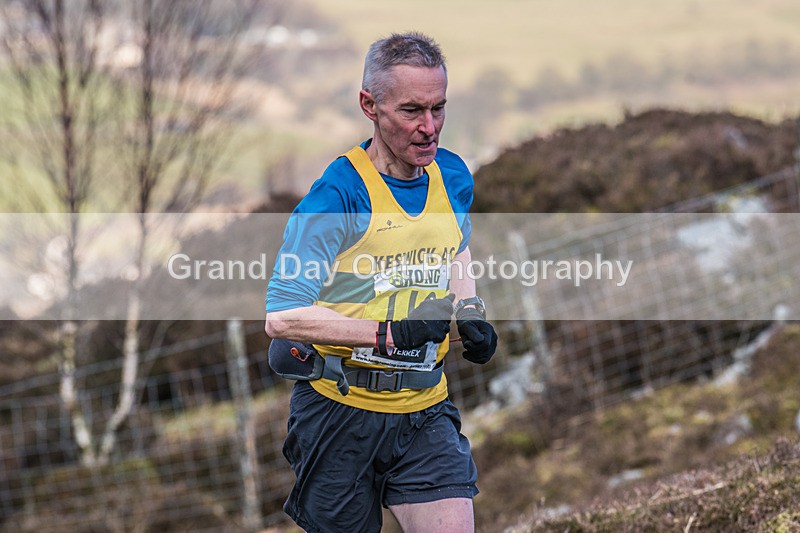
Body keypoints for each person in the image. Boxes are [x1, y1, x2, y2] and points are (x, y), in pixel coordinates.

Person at [264, 31, 498, 533]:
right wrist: (390, 332)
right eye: (412, 111)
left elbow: (456, 244)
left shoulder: (452, 175)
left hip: (424, 410)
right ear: (370, 105)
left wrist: (471, 311)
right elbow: (282, 315)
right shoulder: (337, 196)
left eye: (439, 108)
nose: (429, 127)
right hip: (337, 413)